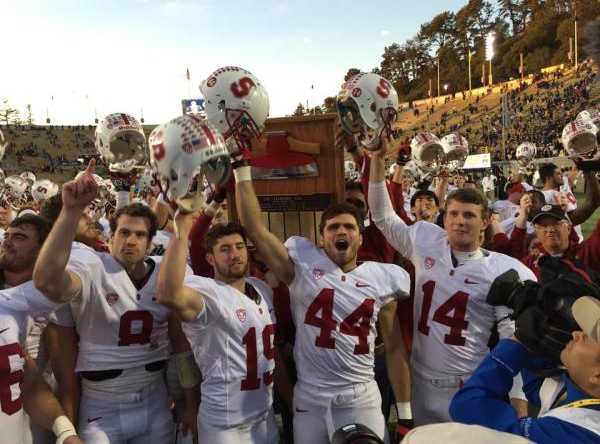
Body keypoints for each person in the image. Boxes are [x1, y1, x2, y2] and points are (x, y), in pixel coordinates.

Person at [233, 157, 412, 443]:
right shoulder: (301, 267)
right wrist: (241, 168)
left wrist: (405, 414)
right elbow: (254, 228)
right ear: (322, 237)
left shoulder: (384, 277)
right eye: (333, 227)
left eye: (349, 227)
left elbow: (393, 349)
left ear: (360, 238)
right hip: (311, 396)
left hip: (360, 394)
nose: (341, 232)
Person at [367, 137, 537, 425]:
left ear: (484, 222)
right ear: (444, 220)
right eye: (454, 214)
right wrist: (376, 161)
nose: (460, 221)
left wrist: (519, 399)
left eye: (469, 215)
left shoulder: (503, 270)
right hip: (420, 380)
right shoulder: (424, 240)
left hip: (470, 384)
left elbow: (512, 339)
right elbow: (383, 216)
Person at [32, 160, 198, 444]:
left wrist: (192, 404)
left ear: (150, 244)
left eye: (139, 235)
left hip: (154, 402)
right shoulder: (91, 266)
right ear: (110, 240)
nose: (130, 240)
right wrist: (71, 211)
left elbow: (181, 347)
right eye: (123, 233)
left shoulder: (163, 272)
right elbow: (47, 281)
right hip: (101, 407)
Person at [156, 217, 280, 443]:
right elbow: (167, 294)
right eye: (225, 249)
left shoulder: (261, 289)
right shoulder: (209, 294)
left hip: (265, 417)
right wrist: (181, 227)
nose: (234, 254)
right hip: (225, 425)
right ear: (210, 259)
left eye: (239, 246)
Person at [450, 296, 600, 443]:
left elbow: (468, 406)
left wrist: (519, 342)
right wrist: (540, 322)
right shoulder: (587, 394)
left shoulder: (573, 434)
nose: (576, 333)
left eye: (588, 337)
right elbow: (537, 385)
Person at [0, 214, 83, 444]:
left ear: (41, 250)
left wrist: (66, 429)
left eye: (18, 237)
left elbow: (35, 377)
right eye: (7, 235)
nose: (7, 242)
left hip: (26, 409)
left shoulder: (19, 303)